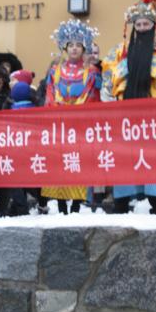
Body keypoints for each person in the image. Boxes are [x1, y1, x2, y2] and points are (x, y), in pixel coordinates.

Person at [102, 1, 156, 214]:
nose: (141, 28)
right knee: (125, 154)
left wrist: (154, 65)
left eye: (145, 24)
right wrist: (126, 68)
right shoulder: (122, 48)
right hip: (126, 112)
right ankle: (121, 200)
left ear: (154, 25)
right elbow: (108, 71)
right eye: (138, 24)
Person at [42, 20, 101, 214]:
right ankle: (60, 205)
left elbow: (94, 95)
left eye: (78, 45)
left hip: (81, 124)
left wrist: (78, 112)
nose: (74, 48)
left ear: (84, 48)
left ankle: (76, 204)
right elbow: (50, 94)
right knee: (59, 161)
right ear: (65, 48)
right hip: (59, 123)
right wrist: (56, 111)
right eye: (71, 45)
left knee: (78, 161)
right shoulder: (55, 71)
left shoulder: (91, 71)